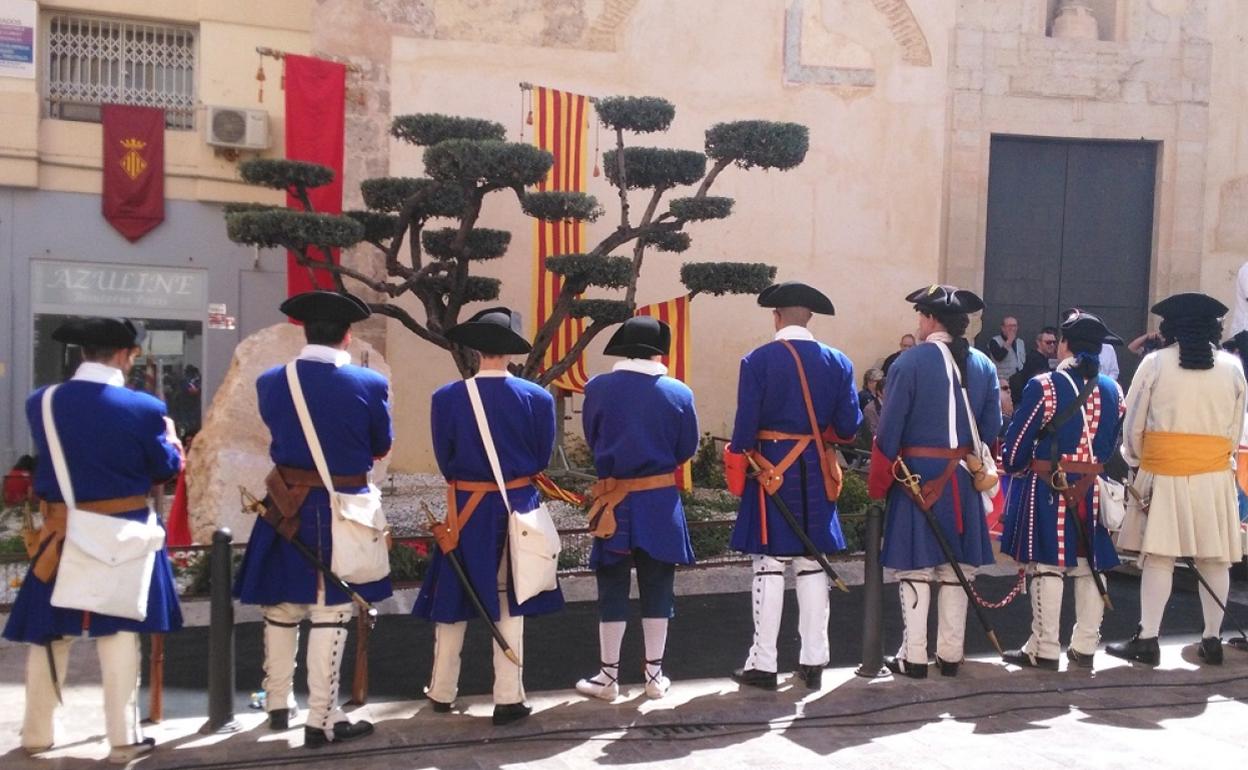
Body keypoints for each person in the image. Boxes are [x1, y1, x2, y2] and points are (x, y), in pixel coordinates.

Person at [4, 317, 183, 763]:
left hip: (60, 533)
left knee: (50, 634)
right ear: (125, 355)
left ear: (82, 353)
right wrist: (175, 445)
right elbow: (164, 469)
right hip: (123, 532)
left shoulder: (40, 401)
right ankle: (122, 739)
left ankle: (36, 734)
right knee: (120, 633)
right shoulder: (144, 408)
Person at [234, 291, 392, 749]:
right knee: (331, 611)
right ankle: (322, 719)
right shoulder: (368, 384)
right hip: (337, 506)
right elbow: (379, 445)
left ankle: (278, 704)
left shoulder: (270, 381)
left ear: (304, 330)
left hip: (283, 506)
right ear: (347, 335)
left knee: (281, 607)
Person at [412, 307, 562, 726]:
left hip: (466, 511)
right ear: (511, 352)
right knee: (510, 598)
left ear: (476, 349)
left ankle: (441, 691)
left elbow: (446, 460)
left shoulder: (445, 397)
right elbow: (539, 458)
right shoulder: (538, 398)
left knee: (453, 595)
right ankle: (508, 696)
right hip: (518, 507)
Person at [723, 281, 861, 691]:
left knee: (768, 565)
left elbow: (744, 429)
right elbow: (850, 427)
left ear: (776, 316)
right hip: (816, 470)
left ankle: (764, 664)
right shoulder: (839, 362)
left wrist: (741, 455)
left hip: (770, 470)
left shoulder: (758, 360)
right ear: (810, 318)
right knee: (812, 564)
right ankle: (814, 661)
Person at [868, 285, 1001, 678]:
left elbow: (888, 431)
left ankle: (914, 656)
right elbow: (992, 427)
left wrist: (878, 487)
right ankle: (950, 655)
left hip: (916, 480)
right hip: (962, 479)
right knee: (956, 569)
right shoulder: (984, 365)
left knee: (916, 568)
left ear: (928, 319)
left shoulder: (908, 363)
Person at [1107, 292, 1246, 666]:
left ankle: (1148, 638)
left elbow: (1133, 422)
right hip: (1215, 476)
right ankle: (1213, 640)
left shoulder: (1154, 363)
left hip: (1164, 473)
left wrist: (1136, 459)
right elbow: (1236, 431)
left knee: (1159, 559)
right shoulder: (1233, 368)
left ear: (1171, 328)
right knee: (1216, 560)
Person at [574, 317, 699, 702]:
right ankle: (654, 676)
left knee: (611, 584)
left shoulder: (597, 388)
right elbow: (686, 449)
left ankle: (608, 678)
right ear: (660, 351)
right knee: (658, 585)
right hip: (659, 501)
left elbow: (592, 438)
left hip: (614, 498)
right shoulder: (679, 392)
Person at [998, 310, 1125, 670]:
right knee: (1089, 566)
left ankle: (1046, 648)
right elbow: (1111, 444)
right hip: (1092, 487)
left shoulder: (1044, 384)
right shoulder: (1114, 389)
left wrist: (1013, 463)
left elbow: (1017, 444)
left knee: (1047, 565)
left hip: (1048, 486)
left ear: (1066, 345)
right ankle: (1085, 646)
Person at [1008, 327, 1059, 405]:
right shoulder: (1035, 361)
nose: (1052, 345)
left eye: (1054, 342)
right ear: (1038, 343)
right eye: (1048, 342)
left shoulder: (1041, 359)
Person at [988, 316, 1027, 381]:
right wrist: (1009, 341)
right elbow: (999, 357)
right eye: (1009, 326)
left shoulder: (1020, 342)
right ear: (1003, 328)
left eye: (1014, 326)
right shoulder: (994, 341)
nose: (1012, 328)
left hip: (1018, 380)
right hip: (1002, 380)